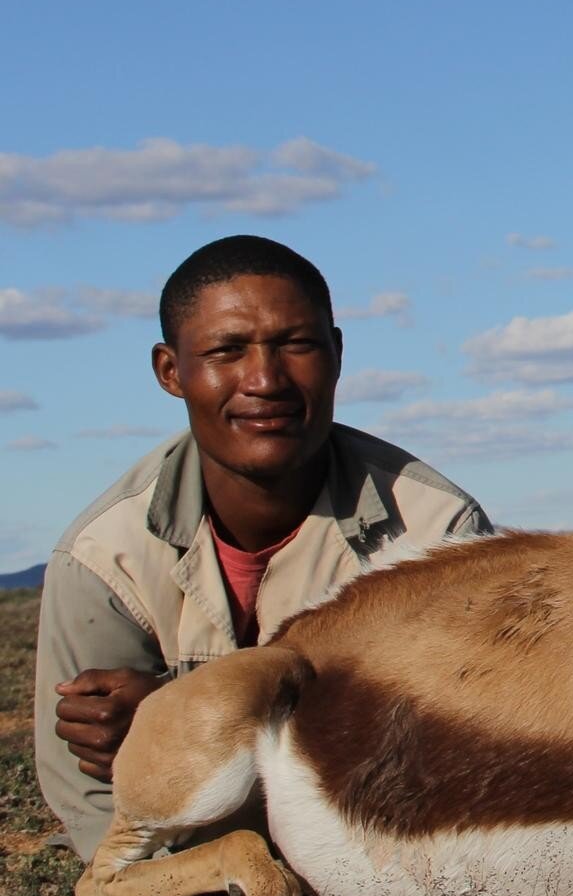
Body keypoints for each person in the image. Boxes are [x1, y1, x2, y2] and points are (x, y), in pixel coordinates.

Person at [35, 235, 491, 859]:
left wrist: (172, 721)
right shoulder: (103, 557)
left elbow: (462, 765)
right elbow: (94, 811)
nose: (265, 380)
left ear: (335, 352)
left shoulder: (437, 533)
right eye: (226, 350)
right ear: (171, 372)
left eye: (296, 345)